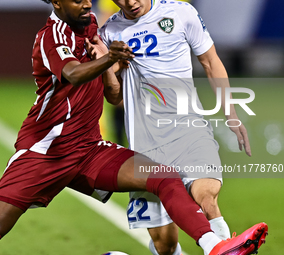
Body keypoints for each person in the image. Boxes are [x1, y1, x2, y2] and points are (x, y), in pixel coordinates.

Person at [0, 0, 267, 254]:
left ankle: (216, 247)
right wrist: (108, 58)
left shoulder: (92, 28)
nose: (86, 4)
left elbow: (113, 95)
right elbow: (72, 73)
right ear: (56, 3)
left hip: (88, 150)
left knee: (163, 177)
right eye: (77, 0)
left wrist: (111, 67)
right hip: (45, 153)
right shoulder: (51, 36)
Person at [96, 0, 254, 254]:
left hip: (189, 131)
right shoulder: (109, 34)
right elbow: (115, 98)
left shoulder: (181, 13)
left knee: (207, 197)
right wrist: (110, 65)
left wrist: (231, 114)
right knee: (165, 245)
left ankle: (225, 250)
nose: (130, 2)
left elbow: (211, 61)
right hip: (145, 146)